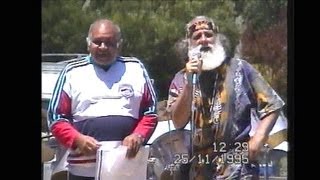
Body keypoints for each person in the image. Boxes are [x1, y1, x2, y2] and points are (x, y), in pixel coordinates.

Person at [166, 16, 286, 180]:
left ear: (217, 39)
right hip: (200, 168)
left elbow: (273, 104)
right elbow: (178, 121)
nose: (203, 40)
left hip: (239, 165)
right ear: (189, 44)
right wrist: (189, 83)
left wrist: (259, 137)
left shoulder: (241, 69)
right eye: (197, 37)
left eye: (208, 35)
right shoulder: (182, 78)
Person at [47, 18, 158, 180]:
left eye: (109, 43)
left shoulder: (136, 68)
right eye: (97, 42)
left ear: (119, 45)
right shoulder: (72, 72)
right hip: (84, 171)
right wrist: (77, 139)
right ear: (88, 44)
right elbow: (56, 118)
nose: (103, 47)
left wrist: (138, 135)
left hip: (127, 168)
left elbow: (151, 113)